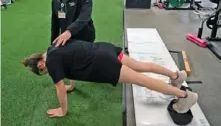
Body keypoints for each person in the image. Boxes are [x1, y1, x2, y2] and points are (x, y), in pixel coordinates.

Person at [21, 39, 198, 118]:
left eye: (44, 72)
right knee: (140, 65)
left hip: (103, 63)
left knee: (141, 79)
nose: (48, 73)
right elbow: (71, 67)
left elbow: (59, 87)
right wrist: (71, 85)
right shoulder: (53, 47)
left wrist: (63, 110)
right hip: (105, 49)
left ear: (40, 65)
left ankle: (184, 96)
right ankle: (176, 76)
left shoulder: (51, 64)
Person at [50, 0, 96, 91]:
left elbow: (84, 17)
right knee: (69, 61)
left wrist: (69, 32)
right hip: (68, 37)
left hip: (86, 34)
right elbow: (55, 23)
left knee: (88, 59)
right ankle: (71, 84)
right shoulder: (55, 0)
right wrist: (52, 44)